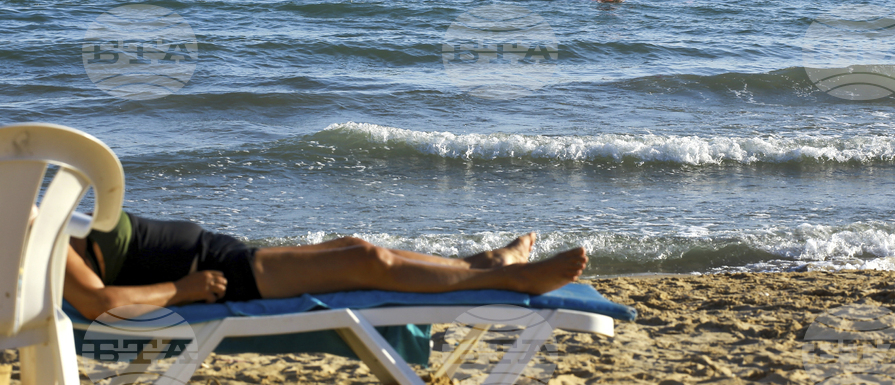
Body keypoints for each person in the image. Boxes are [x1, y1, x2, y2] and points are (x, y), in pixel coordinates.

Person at [63, 210, 589, 320]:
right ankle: (509, 277)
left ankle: (480, 264)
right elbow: (95, 302)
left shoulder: (23, 210)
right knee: (367, 260)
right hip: (222, 280)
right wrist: (184, 289)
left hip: (225, 255)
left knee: (355, 244)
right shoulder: (28, 236)